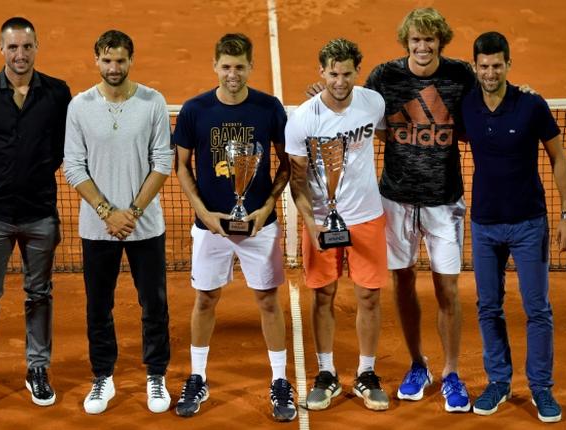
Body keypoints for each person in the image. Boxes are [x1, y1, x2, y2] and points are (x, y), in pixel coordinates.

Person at [173, 33, 295, 422]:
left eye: (239, 67)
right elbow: (182, 166)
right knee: (205, 299)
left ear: (250, 67)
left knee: (267, 300)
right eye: (225, 66)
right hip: (210, 227)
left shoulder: (269, 108)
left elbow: (286, 162)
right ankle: (197, 376)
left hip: (260, 225)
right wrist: (203, 213)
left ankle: (279, 381)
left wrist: (268, 206)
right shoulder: (195, 110)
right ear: (215, 66)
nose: (232, 74)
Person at [0, 17, 72, 411]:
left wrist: (35, 173)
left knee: (40, 293)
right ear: (0, 49)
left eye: (27, 47)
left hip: (40, 213)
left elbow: (62, 145)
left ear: (37, 47)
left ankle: (38, 368)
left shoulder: (57, 94)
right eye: (13, 47)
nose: (20, 55)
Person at [362, 8, 475, 412]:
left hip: (444, 202)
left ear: (440, 41)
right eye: (415, 40)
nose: (422, 47)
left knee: (448, 288)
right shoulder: (384, 77)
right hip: (395, 199)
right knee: (403, 282)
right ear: (406, 42)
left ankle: (452, 373)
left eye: (429, 40)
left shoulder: (461, 76)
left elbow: (494, 101)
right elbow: (356, 114)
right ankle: (416, 365)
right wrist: (321, 100)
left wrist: (522, 92)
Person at [463, 31, 566, 423]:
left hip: (530, 224)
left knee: (537, 308)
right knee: (488, 307)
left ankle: (541, 388)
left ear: (508, 64)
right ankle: (499, 381)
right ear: (475, 66)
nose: (491, 72)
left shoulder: (532, 104)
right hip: (484, 225)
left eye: (498, 65)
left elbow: (558, 158)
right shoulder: (466, 105)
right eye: (484, 66)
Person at [63, 29, 173, 415]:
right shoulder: (79, 106)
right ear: (96, 59)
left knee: (154, 304)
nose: (114, 67)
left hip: (145, 226)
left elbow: (163, 162)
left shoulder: (152, 102)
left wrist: (133, 213)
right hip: (98, 229)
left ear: (131, 60)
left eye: (121, 60)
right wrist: (109, 213)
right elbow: (73, 166)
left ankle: (156, 375)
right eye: (107, 60)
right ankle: (103, 377)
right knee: (98, 306)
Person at [287, 38, 389, 412]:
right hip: (319, 220)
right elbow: (296, 181)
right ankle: (326, 373)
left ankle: (366, 373)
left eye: (347, 73)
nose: (340, 81)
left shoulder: (372, 103)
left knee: (369, 296)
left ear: (356, 71)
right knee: (324, 295)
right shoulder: (303, 118)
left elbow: (388, 134)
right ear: (322, 72)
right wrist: (310, 224)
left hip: (366, 216)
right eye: (333, 73)